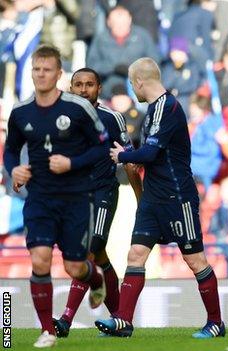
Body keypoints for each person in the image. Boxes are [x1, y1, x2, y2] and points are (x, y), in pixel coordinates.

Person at [96, 57, 224, 339]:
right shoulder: (154, 109)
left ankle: (216, 322)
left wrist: (124, 155)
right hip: (153, 197)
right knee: (136, 254)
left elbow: (150, 153)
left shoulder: (169, 108)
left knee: (195, 260)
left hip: (177, 197)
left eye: (132, 84)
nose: (133, 91)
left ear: (140, 82)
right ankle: (124, 321)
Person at [2, 45, 108, 348]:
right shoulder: (21, 112)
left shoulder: (78, 108)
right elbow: (11, 149)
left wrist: (71, 163)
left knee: (74, 267)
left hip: (76, 197)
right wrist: (14, 170)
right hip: (40, 198)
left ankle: (95, 277)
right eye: (36, 69)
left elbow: (103, 147)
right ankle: (48, 330)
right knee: (40, 259)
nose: (41, 74)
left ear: (58, 74)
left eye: (47, 69)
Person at [52, 67, 143, 338]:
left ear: (98, 88)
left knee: (88, 253)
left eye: (89, 84)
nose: (83, 89)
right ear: (70, 87)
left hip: (103, 193)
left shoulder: (112, 118)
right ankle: (119, 320)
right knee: (100, 258)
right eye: (78, 84)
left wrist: (141, 198)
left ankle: (66, 319)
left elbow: (129, 159)